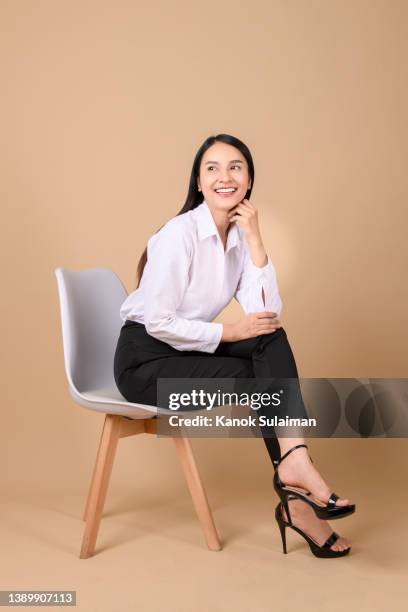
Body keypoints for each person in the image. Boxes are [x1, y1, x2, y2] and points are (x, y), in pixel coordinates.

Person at [114, 133, 355, 557]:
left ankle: (295, 464)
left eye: (235, 167)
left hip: (186, 352)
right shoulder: (178, 235)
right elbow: (158, 321)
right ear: (199, 182)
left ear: (248, 181)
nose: (224, 177)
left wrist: (257, 239)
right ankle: (297, 492)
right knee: (263, 377)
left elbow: (267, 314)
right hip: (144, 363)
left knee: (269, 343)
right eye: (212, 168)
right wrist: (228, 333)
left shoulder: (241, 237)